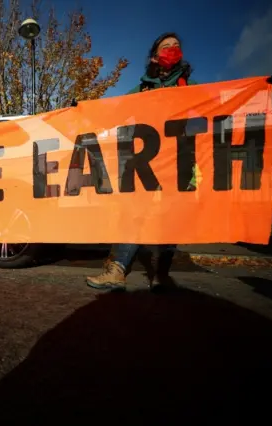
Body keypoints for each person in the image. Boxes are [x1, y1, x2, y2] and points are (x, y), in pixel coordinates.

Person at [86, 32, 197, 292]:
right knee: (133, 215)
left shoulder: (192, 87)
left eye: (176, 46)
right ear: (154, 56)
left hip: (178, 163)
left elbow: (216, 106)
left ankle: (160, 274)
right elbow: (114, 112)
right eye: (166, 46)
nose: (172, 49)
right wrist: (83, 110)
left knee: (169, 220)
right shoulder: (141, 90)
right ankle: (117, 271)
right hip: (145, 164)